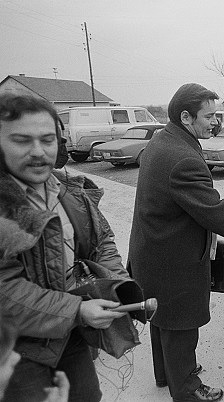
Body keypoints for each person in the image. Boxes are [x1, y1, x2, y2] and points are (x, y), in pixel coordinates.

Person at [128, 83, 224, 402]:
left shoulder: (161, 141)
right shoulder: (182, 157)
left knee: (161, 318)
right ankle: (188, 389)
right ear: (186, 117)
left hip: (151, 252)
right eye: (210, 116)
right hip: (173, 260)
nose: (215, 123)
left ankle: (166, 374)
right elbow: (215, 212)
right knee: (182, 324)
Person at [0, 94, 129, 402]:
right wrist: (77, 310)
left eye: (48, 140)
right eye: (21, 140)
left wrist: (117, 288)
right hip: (16, 348)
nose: (38, 152)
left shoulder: (68, 190)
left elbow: (102, 242)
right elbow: (5, 290)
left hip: (68, 335)